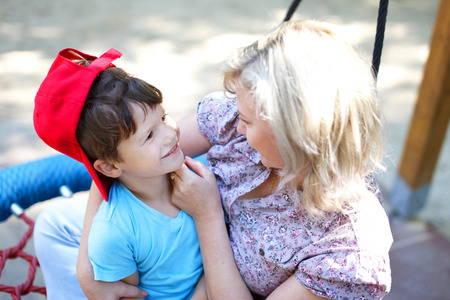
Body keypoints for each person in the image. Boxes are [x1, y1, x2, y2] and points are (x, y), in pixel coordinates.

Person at [34, 20, 393, 299]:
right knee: (53, 224)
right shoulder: (236, 116)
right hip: (170, 244)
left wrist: (208, 214)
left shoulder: (346, 254)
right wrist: (88, 267)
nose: (232, 122)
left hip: (204, 275)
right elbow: (122, 156)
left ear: (296, 139)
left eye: (248, 120)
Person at [33, 48, 205, 299]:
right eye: (149, 135)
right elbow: (135, 294)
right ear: (110, 167)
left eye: (164, 117)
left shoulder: (192, 179)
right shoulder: (115, 233)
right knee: (50, 222)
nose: (171, 134)